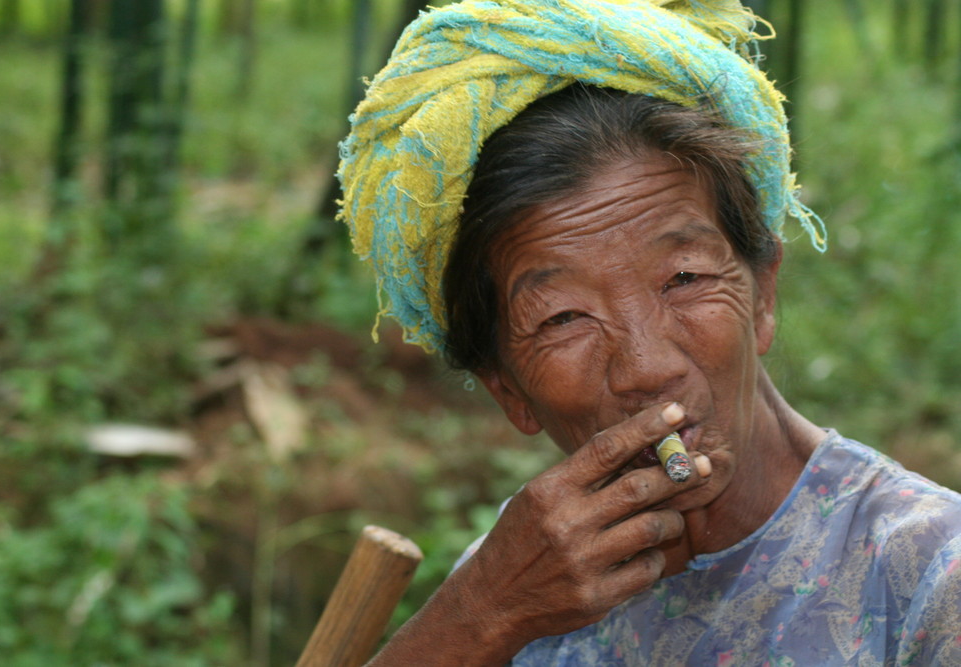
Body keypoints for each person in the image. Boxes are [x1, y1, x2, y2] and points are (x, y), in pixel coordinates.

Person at [337, 1, 961, 664]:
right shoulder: (522, 591)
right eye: (563, 318)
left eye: (685, 278)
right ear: (507, 390)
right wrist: (480, 613)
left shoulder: (929, 576)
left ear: (762, 294)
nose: (645, 366)